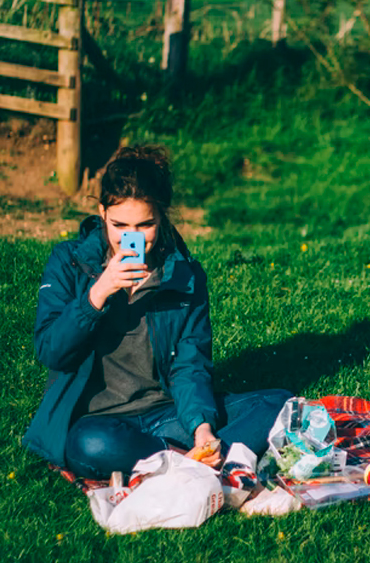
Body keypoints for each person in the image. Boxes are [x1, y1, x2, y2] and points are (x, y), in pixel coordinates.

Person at [22, 145, 291, 480]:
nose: (131, 238)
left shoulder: (182, 275)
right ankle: (195, 464)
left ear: (161, 216)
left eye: (145, 225)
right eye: (120, 224)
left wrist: (202, 429)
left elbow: (189, 364)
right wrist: (96, 295)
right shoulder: (69, 262)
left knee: (280, 404)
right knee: (88, 446)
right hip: (98, 422)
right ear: (103, 212)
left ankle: (184, 458)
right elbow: (52, 352)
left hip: (165, 414)